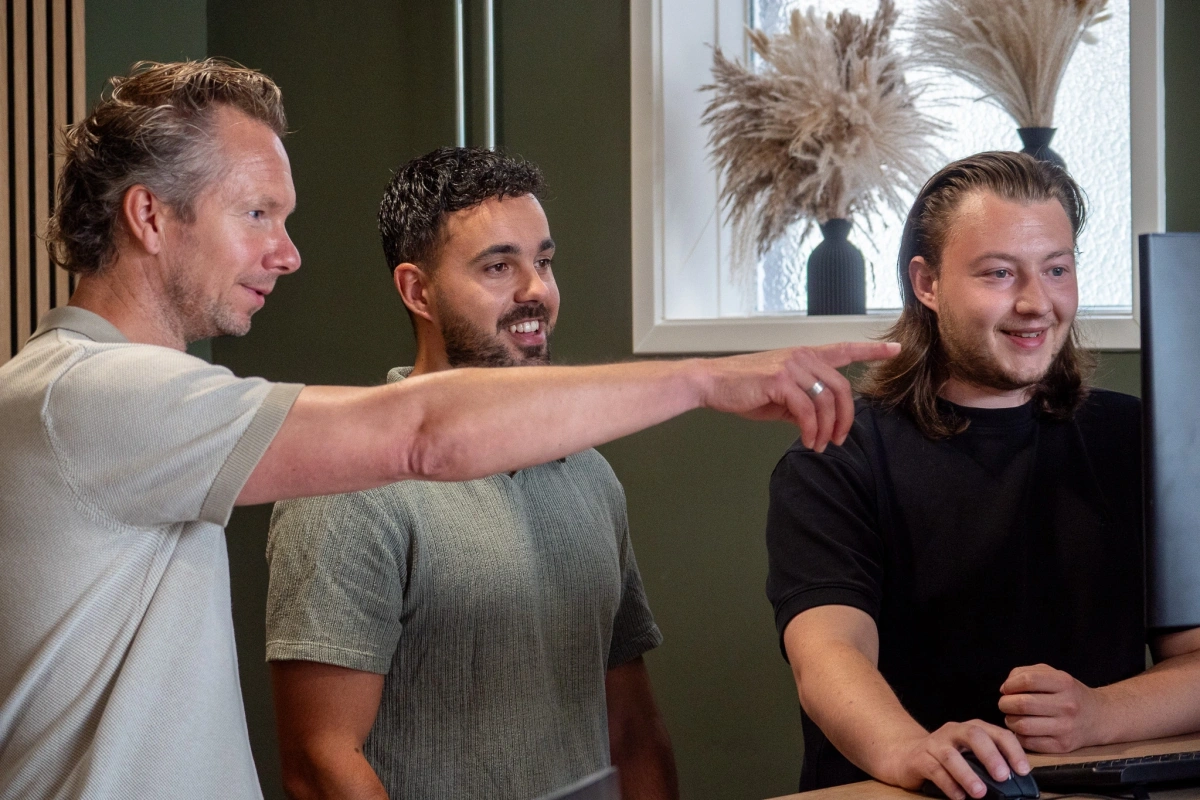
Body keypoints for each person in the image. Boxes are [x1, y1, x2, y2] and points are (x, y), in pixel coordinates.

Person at [0, 59, 895, 799]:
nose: (288, 252)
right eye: (257, 213)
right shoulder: (91, 394)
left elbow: (629, 723)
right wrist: (705, 377)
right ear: (150, 216)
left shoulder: (110, 400)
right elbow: (420, 435)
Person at [764, 152, 1200, 800]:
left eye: (1056, 269)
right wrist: (909, 748)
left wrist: (1099, 713)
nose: (1036, 303)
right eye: (999, 273)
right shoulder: (837, 456)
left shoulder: (1140, 441)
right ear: (927, 283)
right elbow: (829, 655)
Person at [264, 147, 677, 800]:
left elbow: (631, 730)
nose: (536, 290)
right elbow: (321, 762)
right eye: (498, 266)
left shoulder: (590, 476)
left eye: (543, 262)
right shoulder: (349, 485)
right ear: (417, 291)